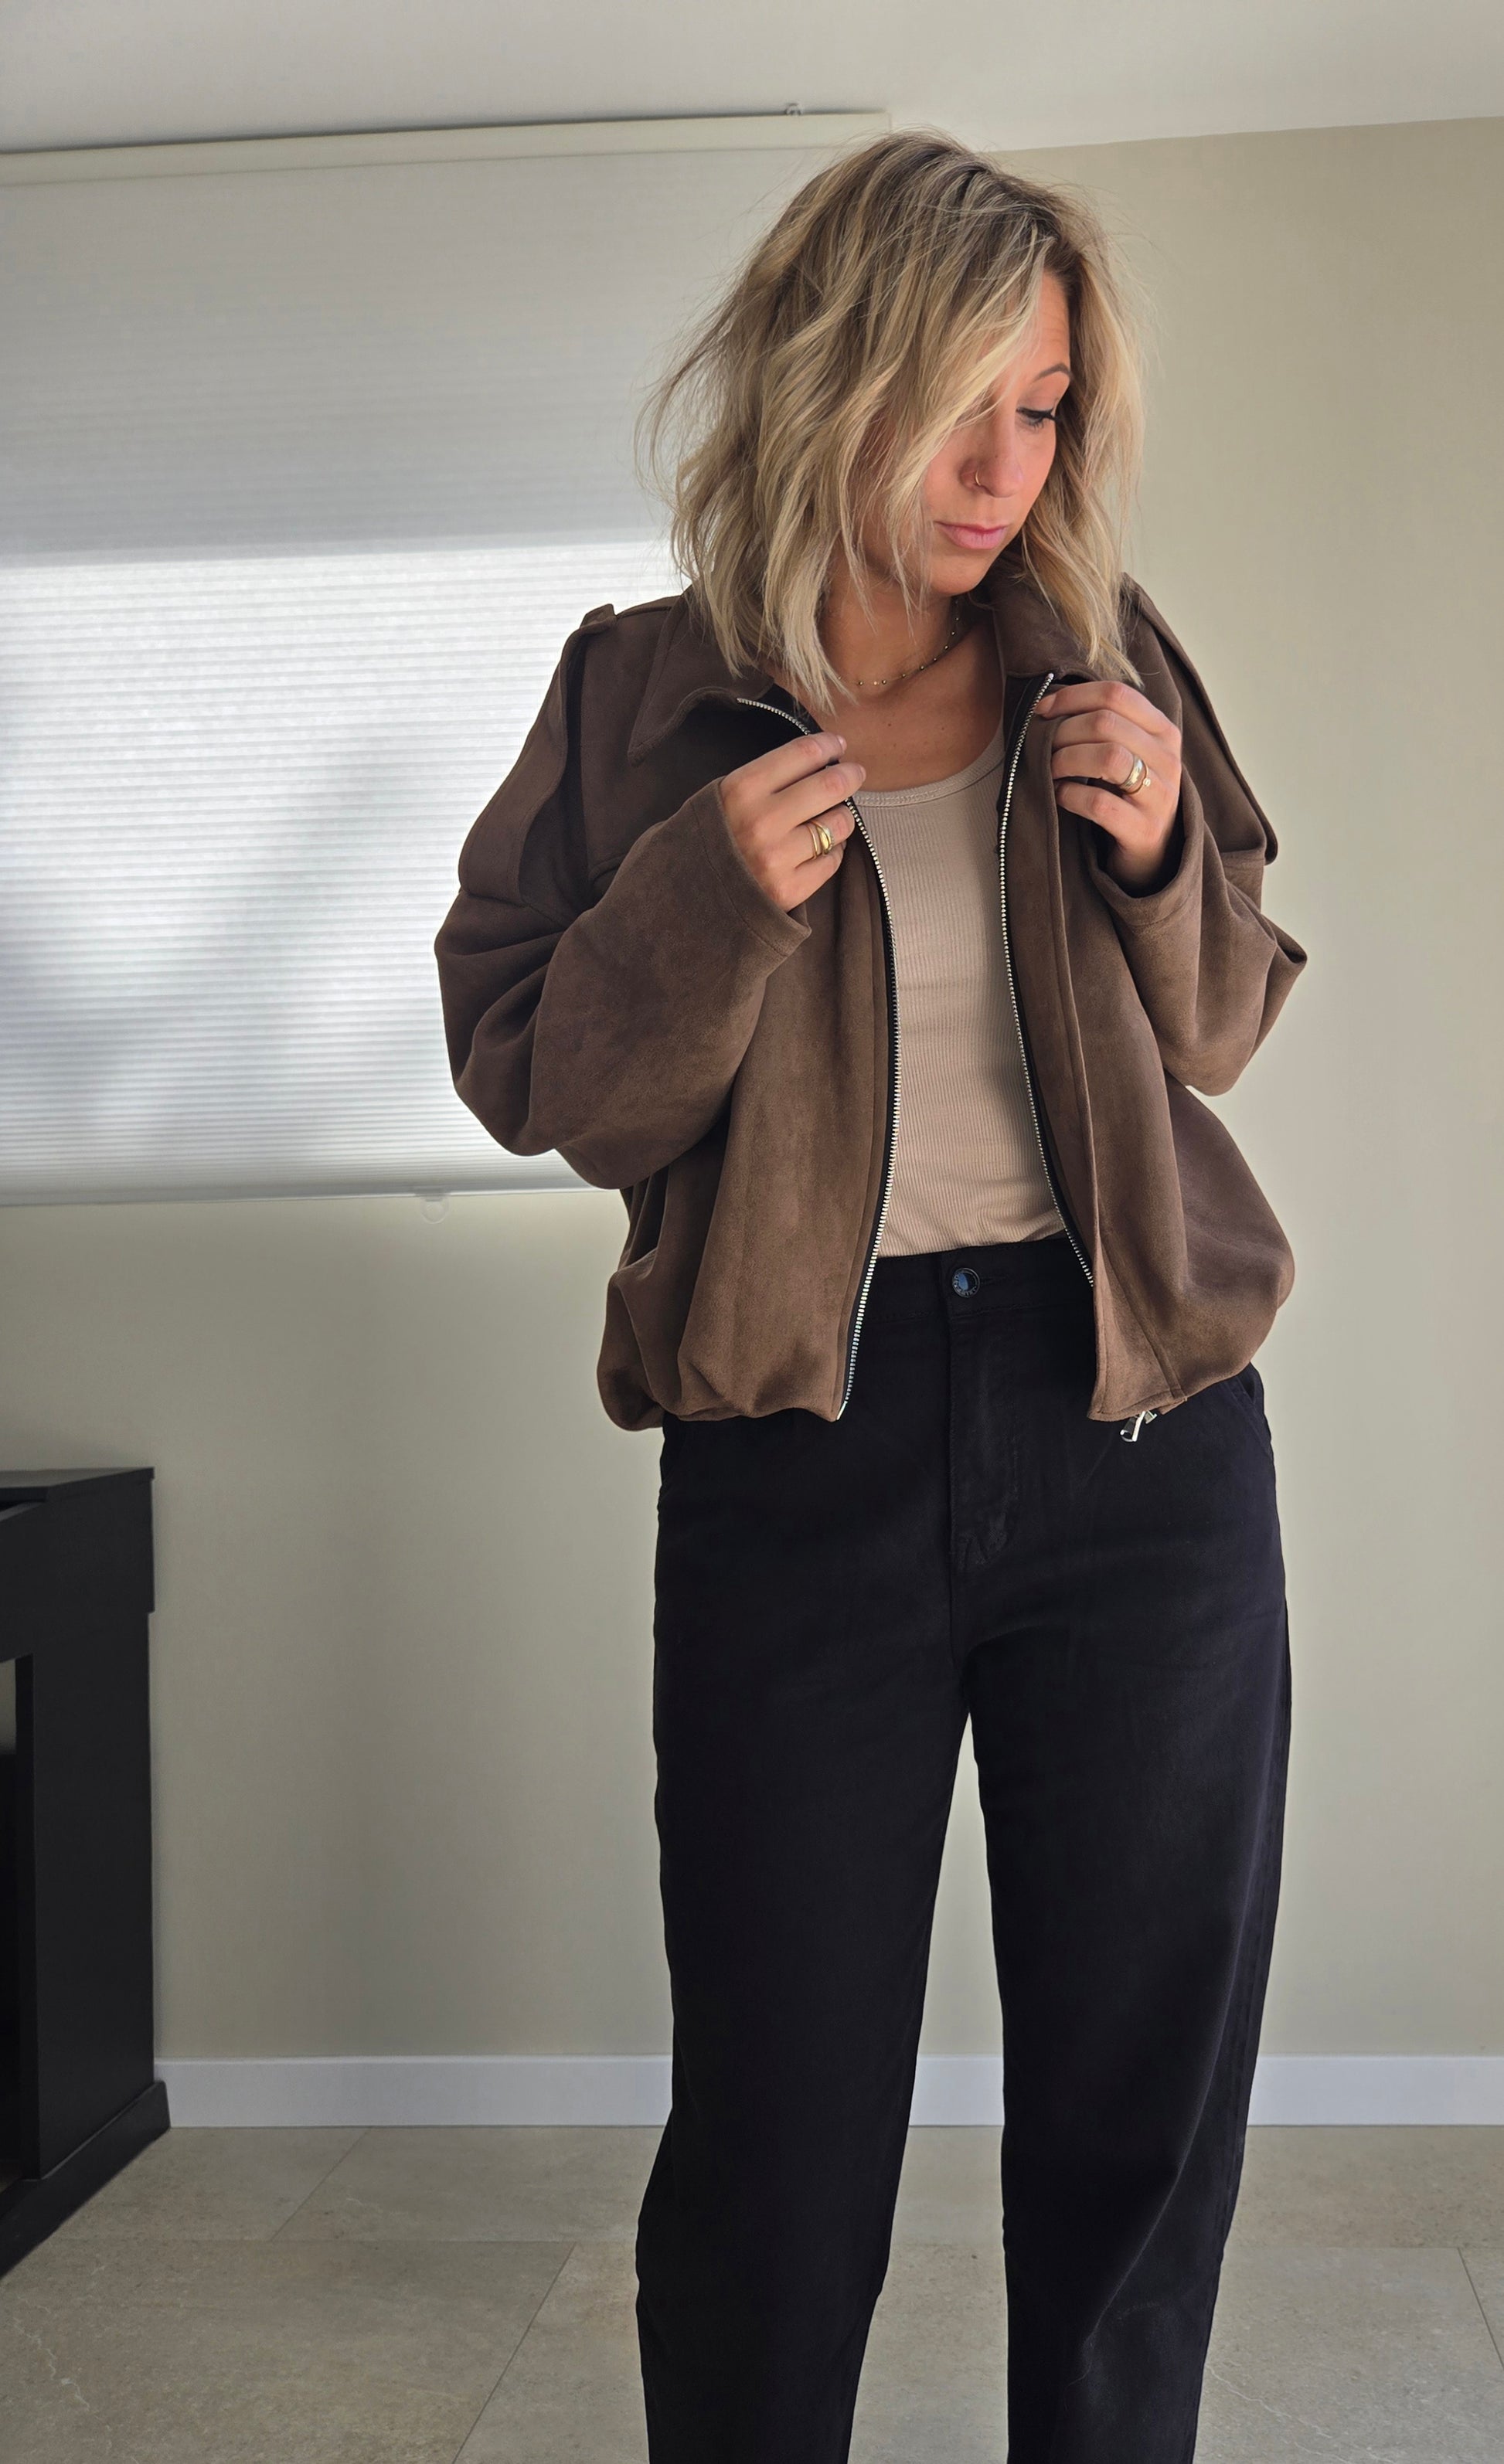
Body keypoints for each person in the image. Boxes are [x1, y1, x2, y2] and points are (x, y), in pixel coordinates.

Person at [435, 127, 1307, 2464]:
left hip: (1139, 1446)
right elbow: (546, 1086)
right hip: (793, 1462)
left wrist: (1159, 846)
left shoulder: (1105, 660)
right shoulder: (636, 699)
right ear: (835, 377)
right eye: (957, 410)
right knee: (778, 2129)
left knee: (1135, 2117)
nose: (1005, 473)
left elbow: (1226, 1017)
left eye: (1044, 410)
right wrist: (699, 898)